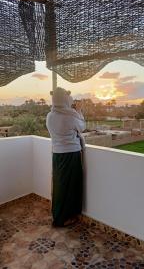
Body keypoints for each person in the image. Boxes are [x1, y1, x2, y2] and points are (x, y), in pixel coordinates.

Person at [46, 87, 85, 227]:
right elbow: (82, 127)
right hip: (71, 154)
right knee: (71, 186)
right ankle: (65, 218)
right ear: (65, 99)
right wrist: (79, 110)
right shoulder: (70, 115)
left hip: (57, 154)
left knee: (60, 185)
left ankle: (58, 215)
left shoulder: (50, 115)